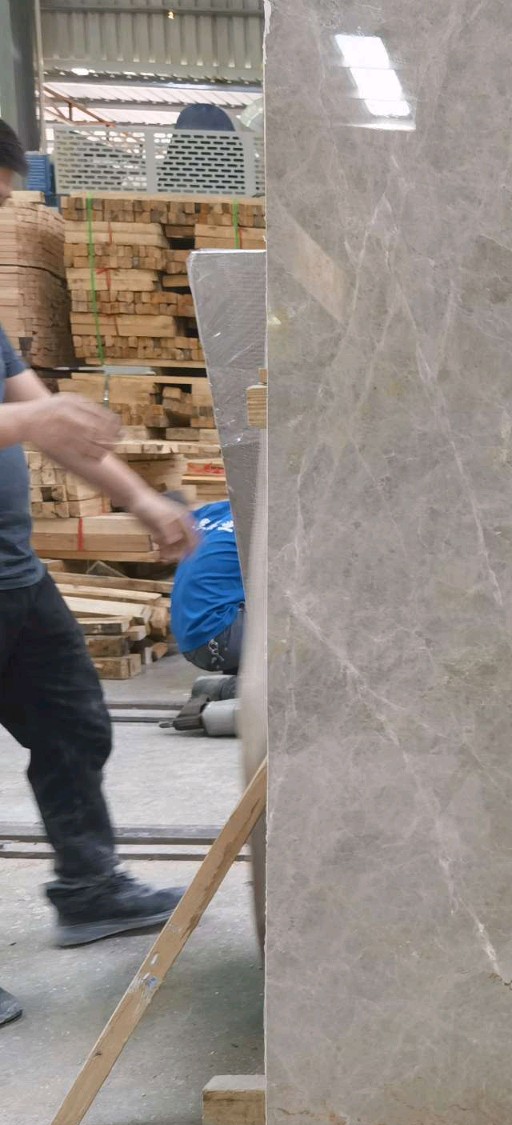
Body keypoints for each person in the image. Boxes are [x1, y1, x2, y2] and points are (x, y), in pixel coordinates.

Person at [0, 120, 199, 1026]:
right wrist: (27, 425)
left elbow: (48, 422)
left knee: (75, 724)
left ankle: (89, 887)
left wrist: (144, 501)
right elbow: (29, 424)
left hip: (15, 581)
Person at [172, 500, 243, 674]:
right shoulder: (268, 522)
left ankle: (239, 685)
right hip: (221, 638)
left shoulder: (218, 511)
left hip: (189, 639)